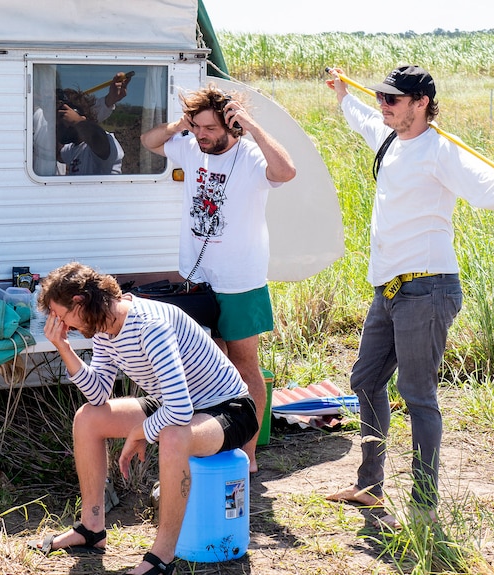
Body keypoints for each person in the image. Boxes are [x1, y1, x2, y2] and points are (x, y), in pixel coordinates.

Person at [323, 65, 494, 528]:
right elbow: (363, 119)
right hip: (387, 288)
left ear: (421, 102)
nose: (383, 106)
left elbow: (483, 184)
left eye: (393, 100)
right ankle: (369, 487)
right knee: (365, 381)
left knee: (418, 395)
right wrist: (345, 94)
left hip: (427, 288)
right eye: (382, 98)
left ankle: (424, 506)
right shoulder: (389, 138)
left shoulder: (441, 149)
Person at [31, 262, 258, 575]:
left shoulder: (148, 325)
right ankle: (91, 528)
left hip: (228, 408)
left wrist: (140, 432)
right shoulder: (103, 328)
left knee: (173, 434)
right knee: (88, 419)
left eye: (61, 316)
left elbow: (178, 412)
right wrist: (63, 347)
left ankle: (161, 556)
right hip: (180, 403)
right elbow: (98, 395)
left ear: (80, 303)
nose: (62, 324)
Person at [140, 84, 297, 472]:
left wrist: (252, 126)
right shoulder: (191, 145)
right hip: (196, 279)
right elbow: (148, 141)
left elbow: (287, 171)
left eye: (209, 128)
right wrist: (182, 123)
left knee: (245, 365)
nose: (201, 135)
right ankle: (219, 443)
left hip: (240, 281)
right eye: (196, 128)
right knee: (211, 364)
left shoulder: (249, 155)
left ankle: (249, 453)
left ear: (231, 124)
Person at [56, 87, 125, 175]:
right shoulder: (72, 149)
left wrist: (77, 121)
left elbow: (97, 138)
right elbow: (58, 155)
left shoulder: (103, 142)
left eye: (63, 121)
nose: (59, 126)